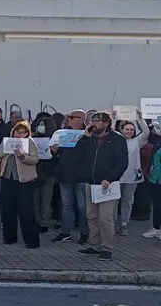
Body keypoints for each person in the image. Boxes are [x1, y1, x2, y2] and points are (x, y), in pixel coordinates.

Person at [76, 112, 128, 261]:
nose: (93, 123)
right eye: (91, 120)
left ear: (106, 123)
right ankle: (95, 245)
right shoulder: (90, 138)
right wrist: (85, 138)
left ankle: (107, 248)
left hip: (107, 184)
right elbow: (78, 154)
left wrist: (110, 178)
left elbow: (122, 162)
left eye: (96, 121)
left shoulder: (116, 139)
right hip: (91, 183)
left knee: (105, 218)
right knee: (92, 216)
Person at [0, 121, 40, 249]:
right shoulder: (7, 141)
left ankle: (31, 240)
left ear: (26, 133)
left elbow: (35, 159)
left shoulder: (30, 142)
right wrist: (8, 148)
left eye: (22, 132)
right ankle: (9, 237)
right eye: (17, 132)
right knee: (7, 209)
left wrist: (22, 156)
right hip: (7, 178)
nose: (19, 134)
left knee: (26, 211)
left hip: (24, 180)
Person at [51, 109, 89, 244]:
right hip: (65, 174)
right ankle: (65, 232)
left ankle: (85, 233)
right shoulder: (63, 133)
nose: (69, 119)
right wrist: (54, 150)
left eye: (72, 117)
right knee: (66, 205)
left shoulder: (88, 134)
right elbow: (58, 153)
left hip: (81, 176)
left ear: (81, 119)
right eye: (68, 117)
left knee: (83, 206)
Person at [114, 111, 149, 236]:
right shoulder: (116, 141)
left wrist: (140, 118)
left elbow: (146, 132)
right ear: (121, 130)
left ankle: (124, 224)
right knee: (114, 202)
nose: (129, 131)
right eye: (127, 129)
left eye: (132, 130)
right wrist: (113, 118)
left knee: (127, 202)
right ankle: (112, 225)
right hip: (116, 176)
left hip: (132, 177)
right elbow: (110, 131)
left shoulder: (137, 141)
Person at [32, 116, 58, 232]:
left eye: (43, 125)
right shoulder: (34, 138)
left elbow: (57, 159)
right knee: (35, 199)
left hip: (49, 172)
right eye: (39, 124)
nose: (40, 127)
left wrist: (54, 152)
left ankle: (44, 222)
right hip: (35, 171)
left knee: (46, 199)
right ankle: (36, 220)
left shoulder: (54, 140)